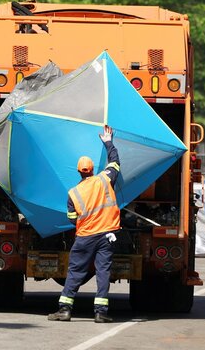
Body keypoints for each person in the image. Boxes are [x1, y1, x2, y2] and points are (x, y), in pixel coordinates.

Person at [48, 125, 121, 323]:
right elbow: (115, 163)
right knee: (103, 271)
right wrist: (108, 142)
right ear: (92, 170)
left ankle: (65, 310)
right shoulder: (104, 180)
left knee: (75, 272)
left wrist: (85, 222)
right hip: (107, 235)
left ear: (79, 171)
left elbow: (72, 218)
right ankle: (100, 313)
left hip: (86, 236)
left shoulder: (73, 193)